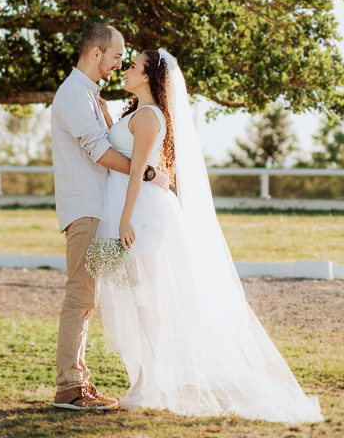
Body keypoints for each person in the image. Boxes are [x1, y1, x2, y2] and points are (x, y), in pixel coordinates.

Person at [91, 49, 322, 423]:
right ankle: (144, 379)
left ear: (148, 77)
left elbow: (136, 171)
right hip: (126, 206)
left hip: (141, 213)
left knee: (146, 298)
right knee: (131, 296)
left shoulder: (150, 116)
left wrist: (125, 218)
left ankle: (150, 381)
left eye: (133, 67)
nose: (126, 70)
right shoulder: (135, 112)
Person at [49, 23, 133, 411]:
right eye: (116, 55)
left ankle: (78, 380)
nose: (120, 62)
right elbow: (99, 151)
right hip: (84, 209)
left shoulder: (89, 94)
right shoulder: (73, 95)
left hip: (98, 209)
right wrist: (146, 171)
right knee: (80, 296)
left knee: (88, 299)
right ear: (96, 53)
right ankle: (69, 387)